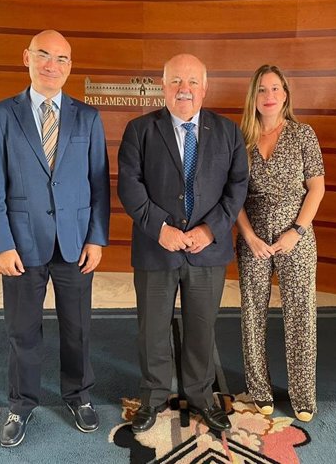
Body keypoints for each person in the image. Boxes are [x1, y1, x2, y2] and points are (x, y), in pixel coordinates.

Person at [0, 30, 110, 447]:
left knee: (78, 328)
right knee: (23, 329)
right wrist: (1, 243)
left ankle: (79, 395)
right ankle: (21, 404)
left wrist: (97, 239)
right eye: (44, 56)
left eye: (62, 59)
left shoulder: (87, 117)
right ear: (27, 58)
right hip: (21, 243)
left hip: (75, 244)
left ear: (70, 66)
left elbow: (98, 184)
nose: (53, 65)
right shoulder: (0, 115)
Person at [118, 54, 248, 433]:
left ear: (204, 88)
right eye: (176, 81)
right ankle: (154, 395)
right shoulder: (139, 130)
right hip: (156, 247)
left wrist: (211, 230)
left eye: (192, 82)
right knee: (153, 329)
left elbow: (237, 187)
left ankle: (201, 395)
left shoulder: (228, 132)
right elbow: (129, 184)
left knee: (202, 327)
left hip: (208, 250)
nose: (184, 89)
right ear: (163, 86)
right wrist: (160, 228)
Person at [235, 65, 325, 423]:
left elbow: (317, 187)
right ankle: (260, 390)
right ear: (253, 97)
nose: (269, 96)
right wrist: (248, 236)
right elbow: (233, 196)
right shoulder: (240, 138)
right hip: (252, 237)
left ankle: (303, 395)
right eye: (261, 90)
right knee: (252, 314)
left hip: (296, 236)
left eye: (275, 88)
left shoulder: (303, 134)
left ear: (285, 94)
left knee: (301, 313)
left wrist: (296, 232)